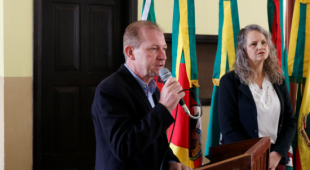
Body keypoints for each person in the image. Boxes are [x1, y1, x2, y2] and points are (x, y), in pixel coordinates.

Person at [91, 20, 192, 170]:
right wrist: (163, 108)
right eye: (153, 49)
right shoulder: (109, 90)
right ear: (130, 52)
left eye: (164, 48)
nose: (163, 56)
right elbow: (124, 147)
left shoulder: (154, 90)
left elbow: (156, 140)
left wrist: (171, 161)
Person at [218, 24, 296, 170]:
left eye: (263, 42)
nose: (260, 47)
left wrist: (277, 153)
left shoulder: (278, 81)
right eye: (254, 44)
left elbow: (290, 122)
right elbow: (228, 127)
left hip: (275, 159)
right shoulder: (229, 81)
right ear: (243, 50)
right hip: (243, 159)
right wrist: (257, 155)